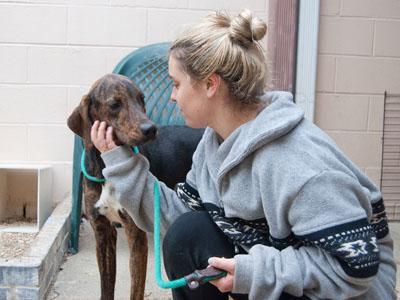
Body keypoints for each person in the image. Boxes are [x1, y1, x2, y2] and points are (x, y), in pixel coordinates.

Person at [90, 9, 396, 300]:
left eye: (176, 84)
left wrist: (254, 271)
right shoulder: (214, 145)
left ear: (210, 84)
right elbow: (177, 219)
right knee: (187, 235)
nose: (171, 95)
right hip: (284, 261)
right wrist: (123, 164)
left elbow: (356, 267)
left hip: (350, 290)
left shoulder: (297, 162)